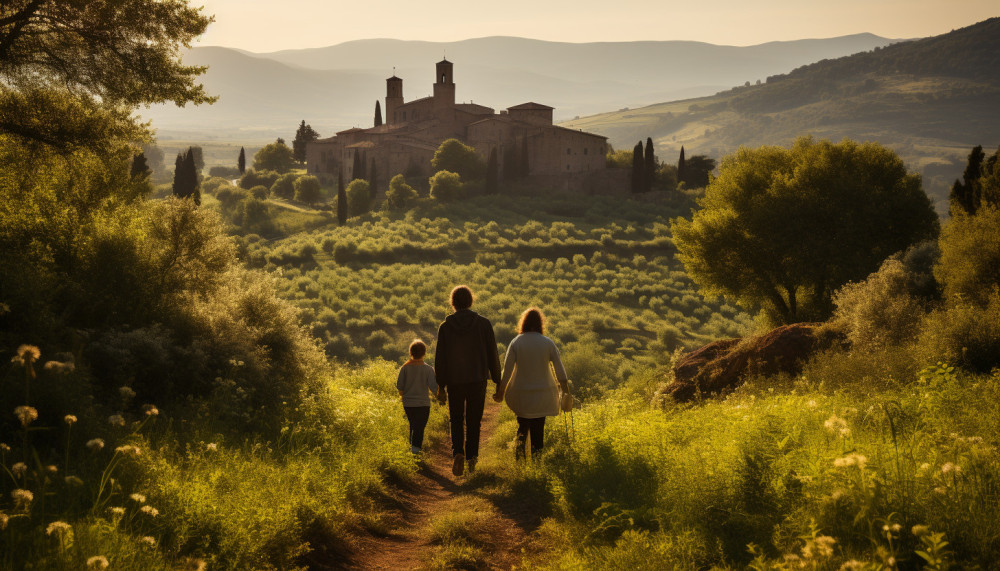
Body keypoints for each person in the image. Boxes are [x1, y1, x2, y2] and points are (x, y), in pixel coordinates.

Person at [435, 285, 501, 476]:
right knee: (474, 421)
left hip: (454, 381)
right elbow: (492, 353)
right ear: (471, 301)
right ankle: (472, 461)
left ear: (453, 303)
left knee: (456, 419)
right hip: (477, 379)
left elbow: (440, 358)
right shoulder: (484, 324)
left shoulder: (445, 327)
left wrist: (441, 385)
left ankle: (458, 452)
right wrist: (498, 380)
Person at [494, 307, 569, 460]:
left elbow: (507, 371)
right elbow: (560, 371)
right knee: (538, 432)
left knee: (522, 429)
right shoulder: (548, 343)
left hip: (521, 395)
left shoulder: (516, 342)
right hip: (543, 395)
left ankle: (520, 464)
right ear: (540, 323)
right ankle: (536, 465)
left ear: (524, 323)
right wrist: (566, 392)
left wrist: (501, 393)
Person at [396, 339, 438, 454]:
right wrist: (441, 397)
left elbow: (399, 386)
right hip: (423, 404)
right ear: (424, 353)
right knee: (419, 427)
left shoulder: (405, 368)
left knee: (413, 425)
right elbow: (434, 388)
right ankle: (415, 451)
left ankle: (412, 449)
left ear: (411, 352)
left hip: (408, 404)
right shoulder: (428, 369)